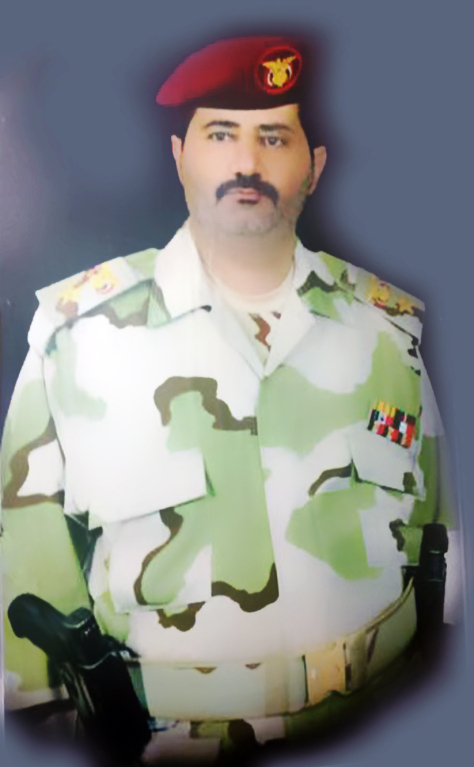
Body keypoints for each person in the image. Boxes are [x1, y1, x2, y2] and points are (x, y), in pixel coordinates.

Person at [1, 35, 459, 763]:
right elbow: (23, 597)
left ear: (314, 166)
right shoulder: (78, 341)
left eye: (274, 136)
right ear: (180, 156)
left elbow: (444, 546)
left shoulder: (386, 334)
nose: (247, 162)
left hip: (382, 729)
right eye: (221, 134)